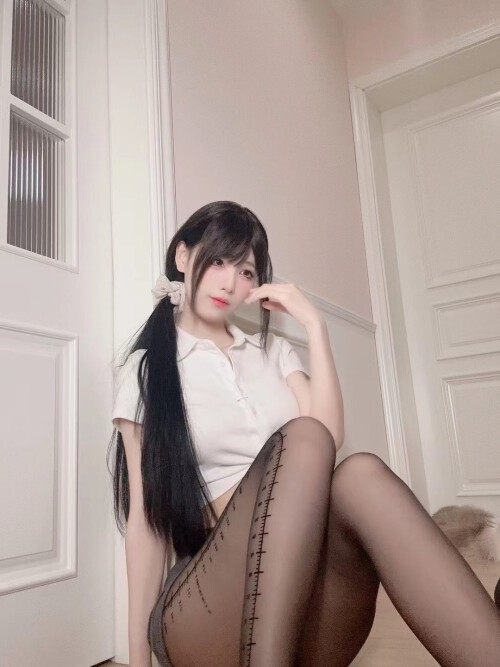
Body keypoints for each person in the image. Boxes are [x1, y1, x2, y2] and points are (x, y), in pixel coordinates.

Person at [107, 201, 500, 667]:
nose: (230, 283)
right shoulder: (148, 370)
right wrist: (138, 662)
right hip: (205, 606)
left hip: (302, 603)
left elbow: (328, 437)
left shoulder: (272, 353)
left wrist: (315, 326)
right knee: (304, 439)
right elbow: (146, 523)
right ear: (183, 256)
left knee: (360, 474)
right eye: (217, 261)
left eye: (246, 271)